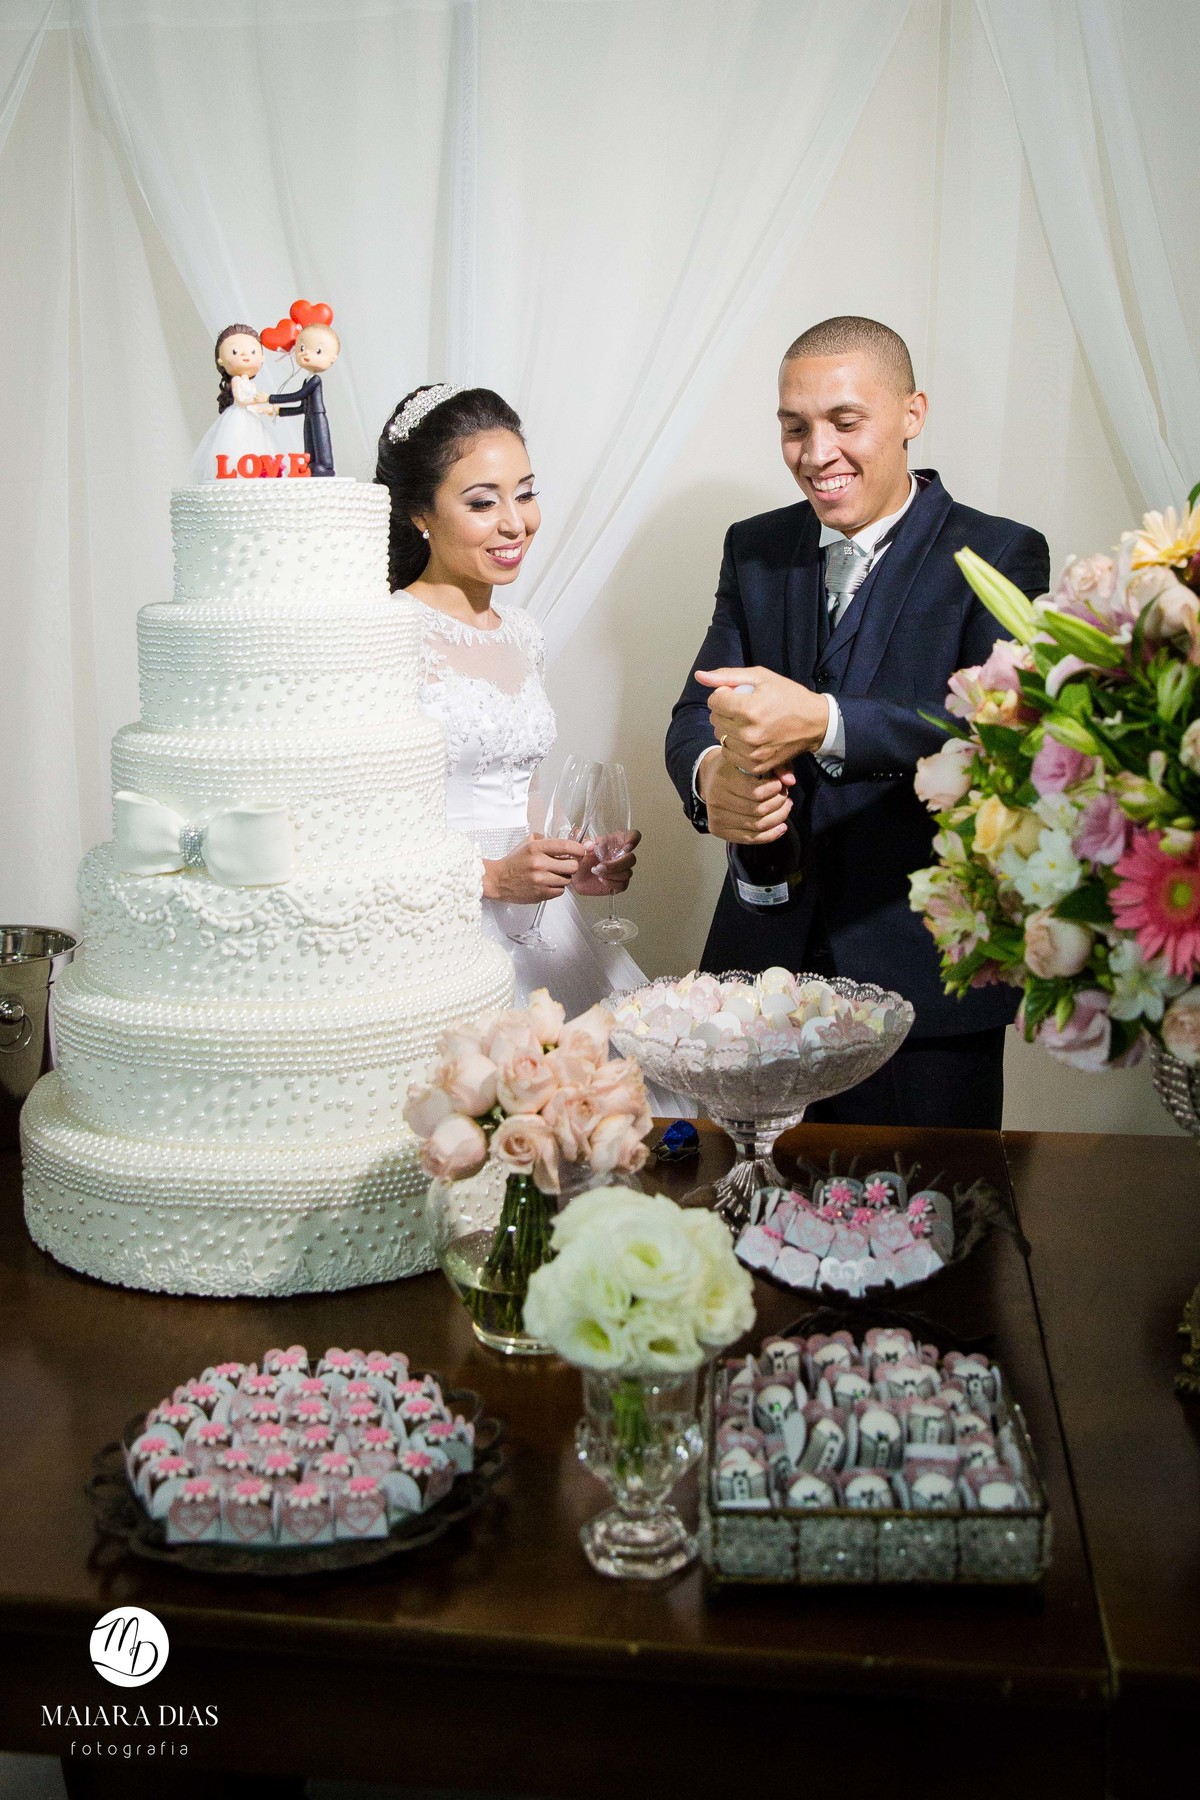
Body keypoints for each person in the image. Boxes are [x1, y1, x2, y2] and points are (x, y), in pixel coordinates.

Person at [665, 316, 1050, 1129]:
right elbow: (696, 709)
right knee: (743, 1228)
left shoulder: (1003, 553)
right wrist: (713, 780)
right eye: (794, 427)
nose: (816, 453)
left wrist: (827, 721)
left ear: (912, 413)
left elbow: (1000, 739)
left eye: (846, 422)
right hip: (757, 980)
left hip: (926, 980)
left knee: (932, 1235)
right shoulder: (755, 547)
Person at [375, 385, 690, 1119]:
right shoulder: (385, 633)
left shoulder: (523, 633)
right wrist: (487, 876)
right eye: (483, 501)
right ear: (419, 513)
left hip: (542, 920)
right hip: (439, 925)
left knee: (616, 1116)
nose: (516, 523)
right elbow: (357, 823)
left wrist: (575, 861)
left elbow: (519, 787)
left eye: (526, 493)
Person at [188, 324, 279, 483]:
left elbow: (253, 406)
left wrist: (266, 410)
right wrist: (255, 400)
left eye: (253, 351)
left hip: (252, 419)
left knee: (255, 446)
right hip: (238, 418)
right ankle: (235, 471)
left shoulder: (251, 384)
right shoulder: (236, 381)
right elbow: (241, 400)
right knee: (236, 446)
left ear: (262, 358)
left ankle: (251, 472)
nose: (245, 354)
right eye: (235, 351)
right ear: (221, 361)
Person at [269, 321, 340, 476]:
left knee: (321, 442)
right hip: (309, 415)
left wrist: (271, 398)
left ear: (333, 358)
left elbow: (299, 395)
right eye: (302, 348)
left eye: (318, 351)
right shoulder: (307, 380)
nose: (306, 353)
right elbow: (301, 407)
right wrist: (279, 411)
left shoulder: (315, 381)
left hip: (317, 415)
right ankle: (312, 464)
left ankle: (326, 467)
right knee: (309, 443)